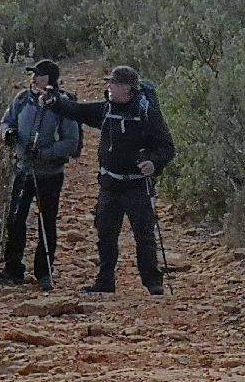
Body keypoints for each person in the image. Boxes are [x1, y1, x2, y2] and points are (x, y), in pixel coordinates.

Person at [43, 65, 174, 295]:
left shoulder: (146, 114)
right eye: (109, 83)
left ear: (129, 89)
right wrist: (55, 103)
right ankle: (105, 281)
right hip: (110, 183)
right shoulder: (106, 110)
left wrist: (153, 163)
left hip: (137, 184)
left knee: (144, 235)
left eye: (114, 83)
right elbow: (78, 111)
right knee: (105, 234)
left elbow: (166, 148)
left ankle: (153, 282)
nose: (109, 87)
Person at [0, 60, 82, 291]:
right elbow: (6, 122)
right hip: (23, 169)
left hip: (50, 173)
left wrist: (45, 153)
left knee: (46, 221)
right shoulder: (22, 99)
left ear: (50, 79)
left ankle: (44, 272)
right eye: (33, 74)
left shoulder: (63, 105)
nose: (34, 78)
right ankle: (12, 269)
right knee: (15, 218)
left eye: (39, 75)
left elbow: (71, 142)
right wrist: (8, 134)